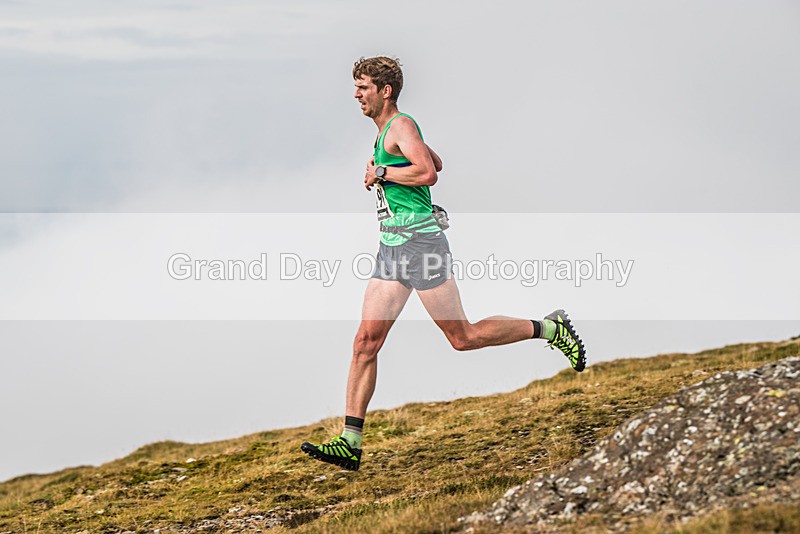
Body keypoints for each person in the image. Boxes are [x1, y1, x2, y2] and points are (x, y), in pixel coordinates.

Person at [301, 56, 586, 471]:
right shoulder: (389, 130)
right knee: (365, 342)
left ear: (385, 91)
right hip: (393, 249)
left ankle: (550, 328)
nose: (356, 95)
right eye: (355, 87)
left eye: (363, 87)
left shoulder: (400, 125)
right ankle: (350, 441)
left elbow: (428, 176)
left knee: (462, 337)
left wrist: (383, 171)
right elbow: (434, 161)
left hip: (421, 244)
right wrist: (387, 170)